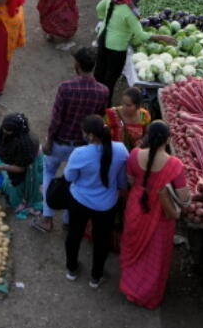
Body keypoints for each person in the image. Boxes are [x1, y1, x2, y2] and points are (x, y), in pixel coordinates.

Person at [119, 120, 189, 309]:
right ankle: (146, 293)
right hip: (159, 214)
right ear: (167, 140)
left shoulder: (134, 155)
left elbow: (131, 179)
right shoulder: (175, 165)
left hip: (137, 206)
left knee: (132, 245)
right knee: (155, 256)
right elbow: (184, 197)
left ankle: (130, 285)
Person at [63, 114, 129, 288]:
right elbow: (122, 180)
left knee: (74, 234)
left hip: (80, 201)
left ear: (90, 135)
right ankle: (96, 277)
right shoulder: (121, 150)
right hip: (106, 205)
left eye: (84, 132)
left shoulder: (79, 154)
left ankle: (71, 269)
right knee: (101, 241)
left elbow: (70, 177)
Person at [95, 0, 176, 99]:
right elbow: (141, 35)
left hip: (102, 39)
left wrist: (108, 20)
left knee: (99, 73)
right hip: (117, 48)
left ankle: (93, 97)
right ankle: (103, 105)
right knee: (110, 80)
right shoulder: (129, 12)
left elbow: (98, 9)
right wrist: (163, 37)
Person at [0, 113, 41, 214]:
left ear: (16, 133)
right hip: (8, 160)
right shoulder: (3, 132)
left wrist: (3, 167)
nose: (4, 134)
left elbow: (21, 168)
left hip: (21, 167)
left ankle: (18, 197)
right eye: (3, 131)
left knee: (14, 185)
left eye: (8, 133)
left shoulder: (25, 145)